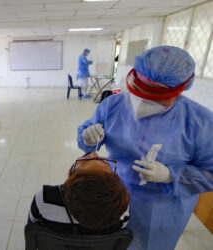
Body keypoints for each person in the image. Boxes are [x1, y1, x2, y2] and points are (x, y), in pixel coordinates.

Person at [77, 46, 213, 250]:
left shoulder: (199, 122)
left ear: (180, 89)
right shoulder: (113, 105)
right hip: (115, 195)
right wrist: (87, 138)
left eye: (156, 98)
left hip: (163, 208)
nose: (142, 104)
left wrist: (171, 176)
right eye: (140, 93)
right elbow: (88, 135)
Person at [28, 152, 130, 235]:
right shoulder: (121, 212)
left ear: (73, 180)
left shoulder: (45, 197)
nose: (94, 153)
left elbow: (32, 227)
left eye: (88, 160)